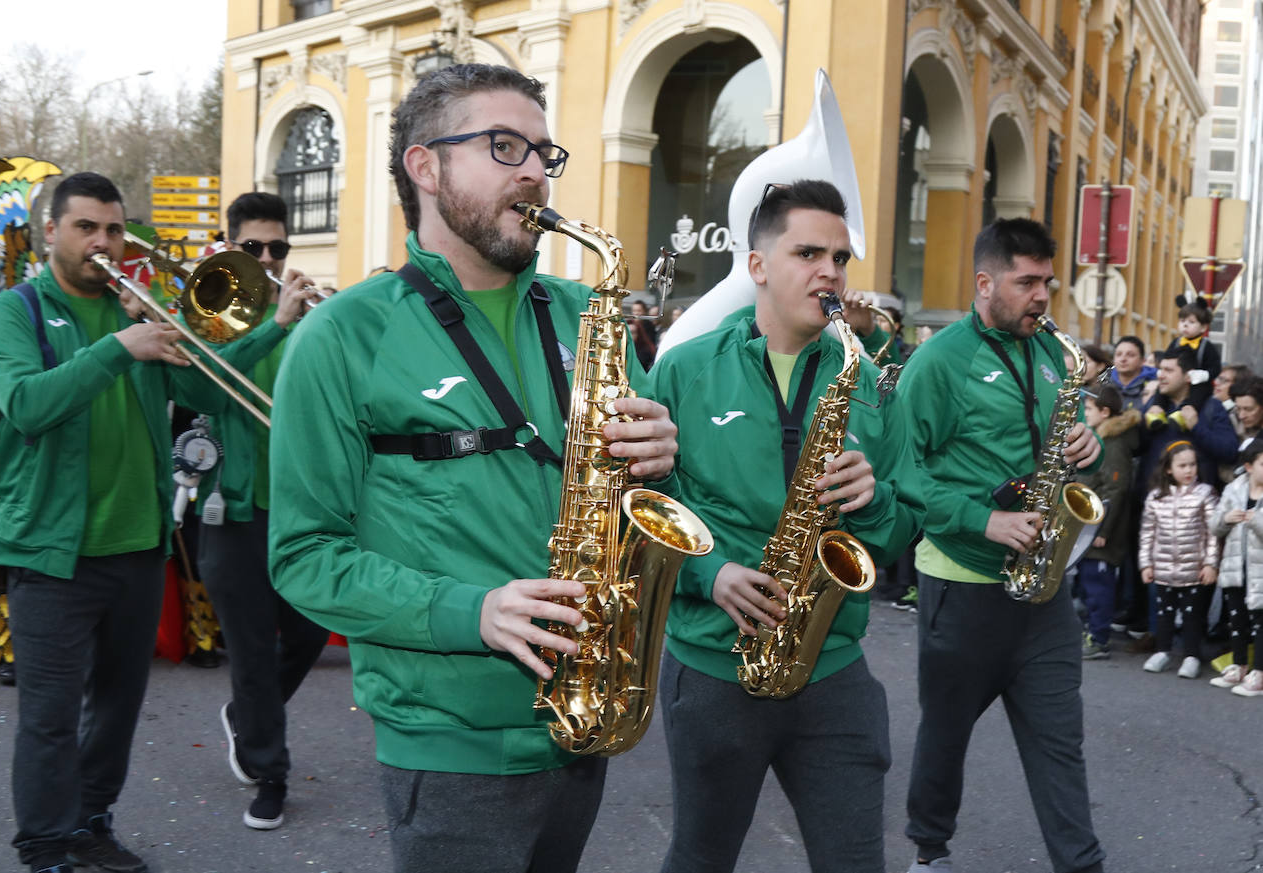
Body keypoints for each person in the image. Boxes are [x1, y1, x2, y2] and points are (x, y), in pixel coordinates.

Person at [266, 63, 680, 873]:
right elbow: (303, 556)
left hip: (586, 711)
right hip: (448, 737)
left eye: (542, 152)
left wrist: (659, 460)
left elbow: (644, 501)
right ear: (426, 166)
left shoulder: (584, 312)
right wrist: (472, 612)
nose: (533, 169)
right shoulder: (341, 336)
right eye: (503, 146)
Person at [647, 179, 923, 873]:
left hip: (834, 669)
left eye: (839, 257)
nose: (830, 270)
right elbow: (643, 507)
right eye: (808, 252)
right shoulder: (683, 369)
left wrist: (877, 499)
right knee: (700, 857)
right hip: (714, 668)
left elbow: (902, 528)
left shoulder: (870, 379)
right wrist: (709, 573)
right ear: (759, 265)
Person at [0, 172, 229, 873]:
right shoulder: (15, 312)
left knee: (116, 710)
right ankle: (45, 845)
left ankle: (90, 823)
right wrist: (120, 348)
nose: (103, 242)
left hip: (139, 545)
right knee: (50, 719)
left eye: (114, 229)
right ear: (50, 232)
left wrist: (257, 329)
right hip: (49, 552)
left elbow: (208, 392)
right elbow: (27, 404)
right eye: (86, 227)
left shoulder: (134, 308)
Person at [894, 217, 1105, 873]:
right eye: (1027, 282)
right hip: (961, 581)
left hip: (1042, 588)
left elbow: (1067, 456)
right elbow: (900, 471)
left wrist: (1086, 451)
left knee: (1059, 742)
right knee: (946, 733)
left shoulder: (1053, 354)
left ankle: (1082, 863)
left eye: (1047, 281)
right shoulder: (938, 361)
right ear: (985, 282)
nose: (1042, 296)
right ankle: (931, 851)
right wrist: (983, 521)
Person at [195, 191, 328, 830]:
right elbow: (202, 381)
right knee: (249, 649)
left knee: (306, 633)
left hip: (301, 508)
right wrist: (274, 322)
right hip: (234, 508)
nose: (269, 258)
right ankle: (269, 772)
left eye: (278, 248)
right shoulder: (212, 307)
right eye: (254, 248)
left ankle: (249, 719)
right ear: (229, 249)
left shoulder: (306, 315)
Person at [1138, 441, 1219, 677]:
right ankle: (1163, 651)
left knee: (1193, 615)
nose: (1189, 470)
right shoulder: (1155, 497)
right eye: (1182, 465)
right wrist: (1146, 564)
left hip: (1195, 568)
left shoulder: (1205, 493)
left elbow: (1213, 532)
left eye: (1192, 465)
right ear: (1168, 469)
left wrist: (1211, 563)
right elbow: (1147, 533)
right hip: (1163, 568)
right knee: (1164, 612)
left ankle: (1191, 655)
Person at [1074, 384, 1139, 659]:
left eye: (1087, 409)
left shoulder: (1113, 442)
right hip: (1089, 526)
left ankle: (1099, 638)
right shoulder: (1100, 436)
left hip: (1100, 530)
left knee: (1099, 585)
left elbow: (1116, 489)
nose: (1083, 413)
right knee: (1088, 583)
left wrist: (1102, 528)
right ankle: (1091, 630)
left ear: (1104, 411)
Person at [1139, 347, 1237, 492]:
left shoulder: (1212, 407)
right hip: (1153, 503)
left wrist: (1196, 427)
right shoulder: (1154, 404)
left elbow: (1229, 452)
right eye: (1161, 370)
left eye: (1169, 370)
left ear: (1188, 376)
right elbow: (1137, 449)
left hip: (1196, 506)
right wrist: (1144, 424)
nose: (1161, 375)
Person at [1208, 441, 1263, 693]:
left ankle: (1259, 673)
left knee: (1260, 622)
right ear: (1248, 466)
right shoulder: (1233, 488)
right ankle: (1239, 665)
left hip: (1259, 570)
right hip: (1234, 566)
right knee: (1237, 619)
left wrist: (1256, 521)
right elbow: (1214, 525)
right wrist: (1226, 519)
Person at [1142, 300, 1220, 431]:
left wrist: (1205, 375)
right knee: (1161, 390)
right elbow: (1166, 358)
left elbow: (1215, 367)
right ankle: (1157, 412)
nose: (1185, 325)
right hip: (1175, 379)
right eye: (1182, 321)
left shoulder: (1207, 346)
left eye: (1191, 322)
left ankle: (1185, 415)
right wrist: (1162, 370)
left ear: (1203, 327)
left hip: (1198, 382)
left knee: (1199, 393)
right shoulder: (1176, 342)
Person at [1107, 335, 1156, 411]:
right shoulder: (1106, 388)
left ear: (1142, 361)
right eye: (1119, 354)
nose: (1123, 359)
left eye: (1130, 355)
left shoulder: (1153, 390)